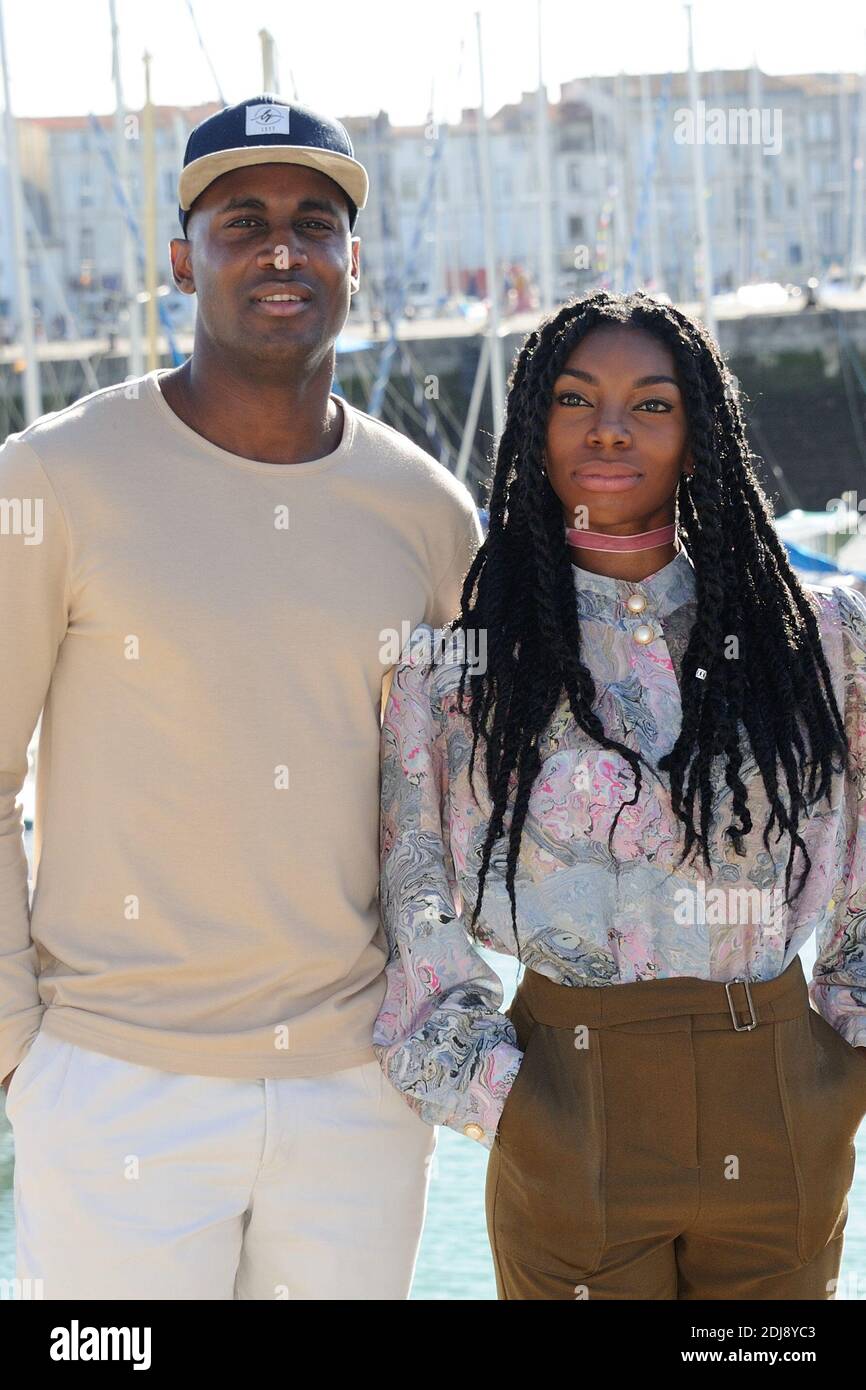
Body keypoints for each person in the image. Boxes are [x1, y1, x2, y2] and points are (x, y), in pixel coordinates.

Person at [0, 95, 483, 1300]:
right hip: (112, 1083)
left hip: (357, 1089)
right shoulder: (50, 478)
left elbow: (474, 799)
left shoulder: (428, 514)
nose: (282, 248)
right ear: (182, 259)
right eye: (241, 221)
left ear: (352, 263)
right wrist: (20, 1049)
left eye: (314, 223)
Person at [374, 287, 866, 1300]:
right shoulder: (457, 672)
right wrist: (509, 1103)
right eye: (573, 398)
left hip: (779, 1098)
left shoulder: (821, 643)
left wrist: (840, 1062)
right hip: (565, 1101)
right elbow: (412, 905)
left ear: (696, 433)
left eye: (649, 403)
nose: (608, 427)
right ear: (532, 426)